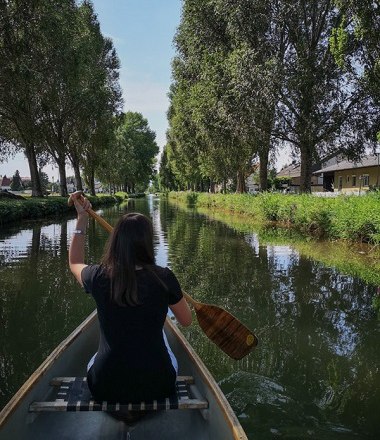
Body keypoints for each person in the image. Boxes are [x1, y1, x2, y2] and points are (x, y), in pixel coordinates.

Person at [68, 192, 192, 405]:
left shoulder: (97, 276)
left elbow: (74, 262)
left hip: (104, 387)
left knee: (96, 358)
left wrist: (82, 218)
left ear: (116, 241)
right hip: (159, 386)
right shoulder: (164, 277)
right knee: (162, 334)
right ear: (147, 243)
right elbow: (186, 321)